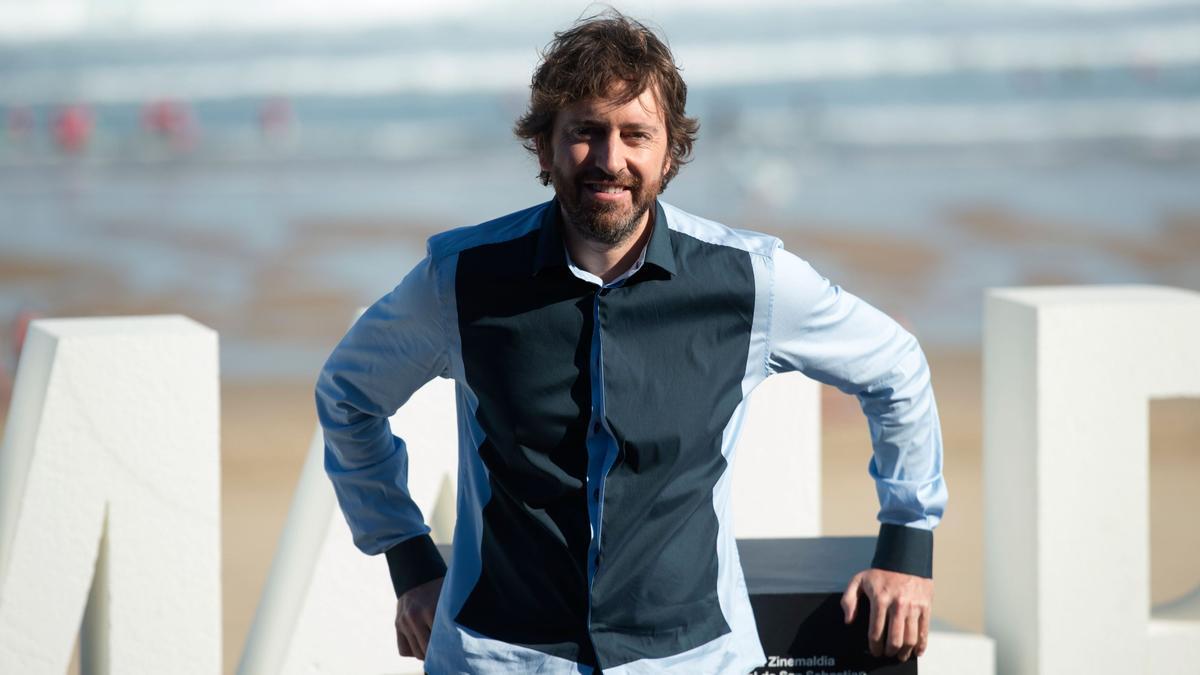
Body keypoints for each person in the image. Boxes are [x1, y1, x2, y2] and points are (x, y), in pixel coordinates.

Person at [316, 11, 946, 674]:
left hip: (694, 659)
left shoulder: (749, 280)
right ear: (545, 147)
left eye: (634, 135)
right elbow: (349, 393)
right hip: (500, 657)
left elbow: (895, 367)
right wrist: (407, 555)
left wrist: (907, 546)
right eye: (585, 132)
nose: (609, 159)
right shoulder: (462, 278)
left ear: (669, 151)